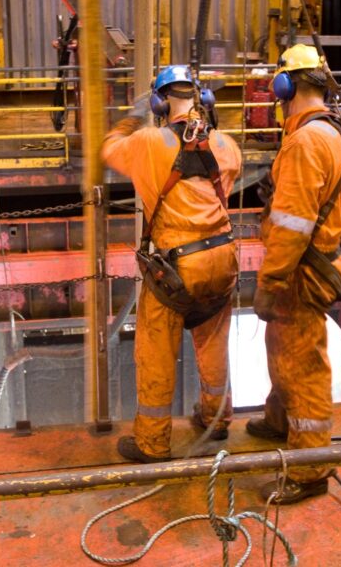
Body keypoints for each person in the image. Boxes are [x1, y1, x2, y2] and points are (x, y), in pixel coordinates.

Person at [101, 65, 242, 463]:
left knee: (156, 350)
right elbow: (221, 193)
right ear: (202, 99)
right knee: (213, 343)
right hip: (223, 258)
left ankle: (152, 442)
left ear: (160, 101)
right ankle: (216, 418)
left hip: (178, 268)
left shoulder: (147, 142)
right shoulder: (227, 145)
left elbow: (110, 148)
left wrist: (132, 114)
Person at [247, 44, 341, 504]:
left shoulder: (304, 141)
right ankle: (279, 419)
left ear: (285, 87)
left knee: (302, 361)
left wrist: (269, 284)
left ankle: (310, 469)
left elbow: (292, 225)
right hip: (323, 257)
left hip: (299, 269)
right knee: (284, 345)